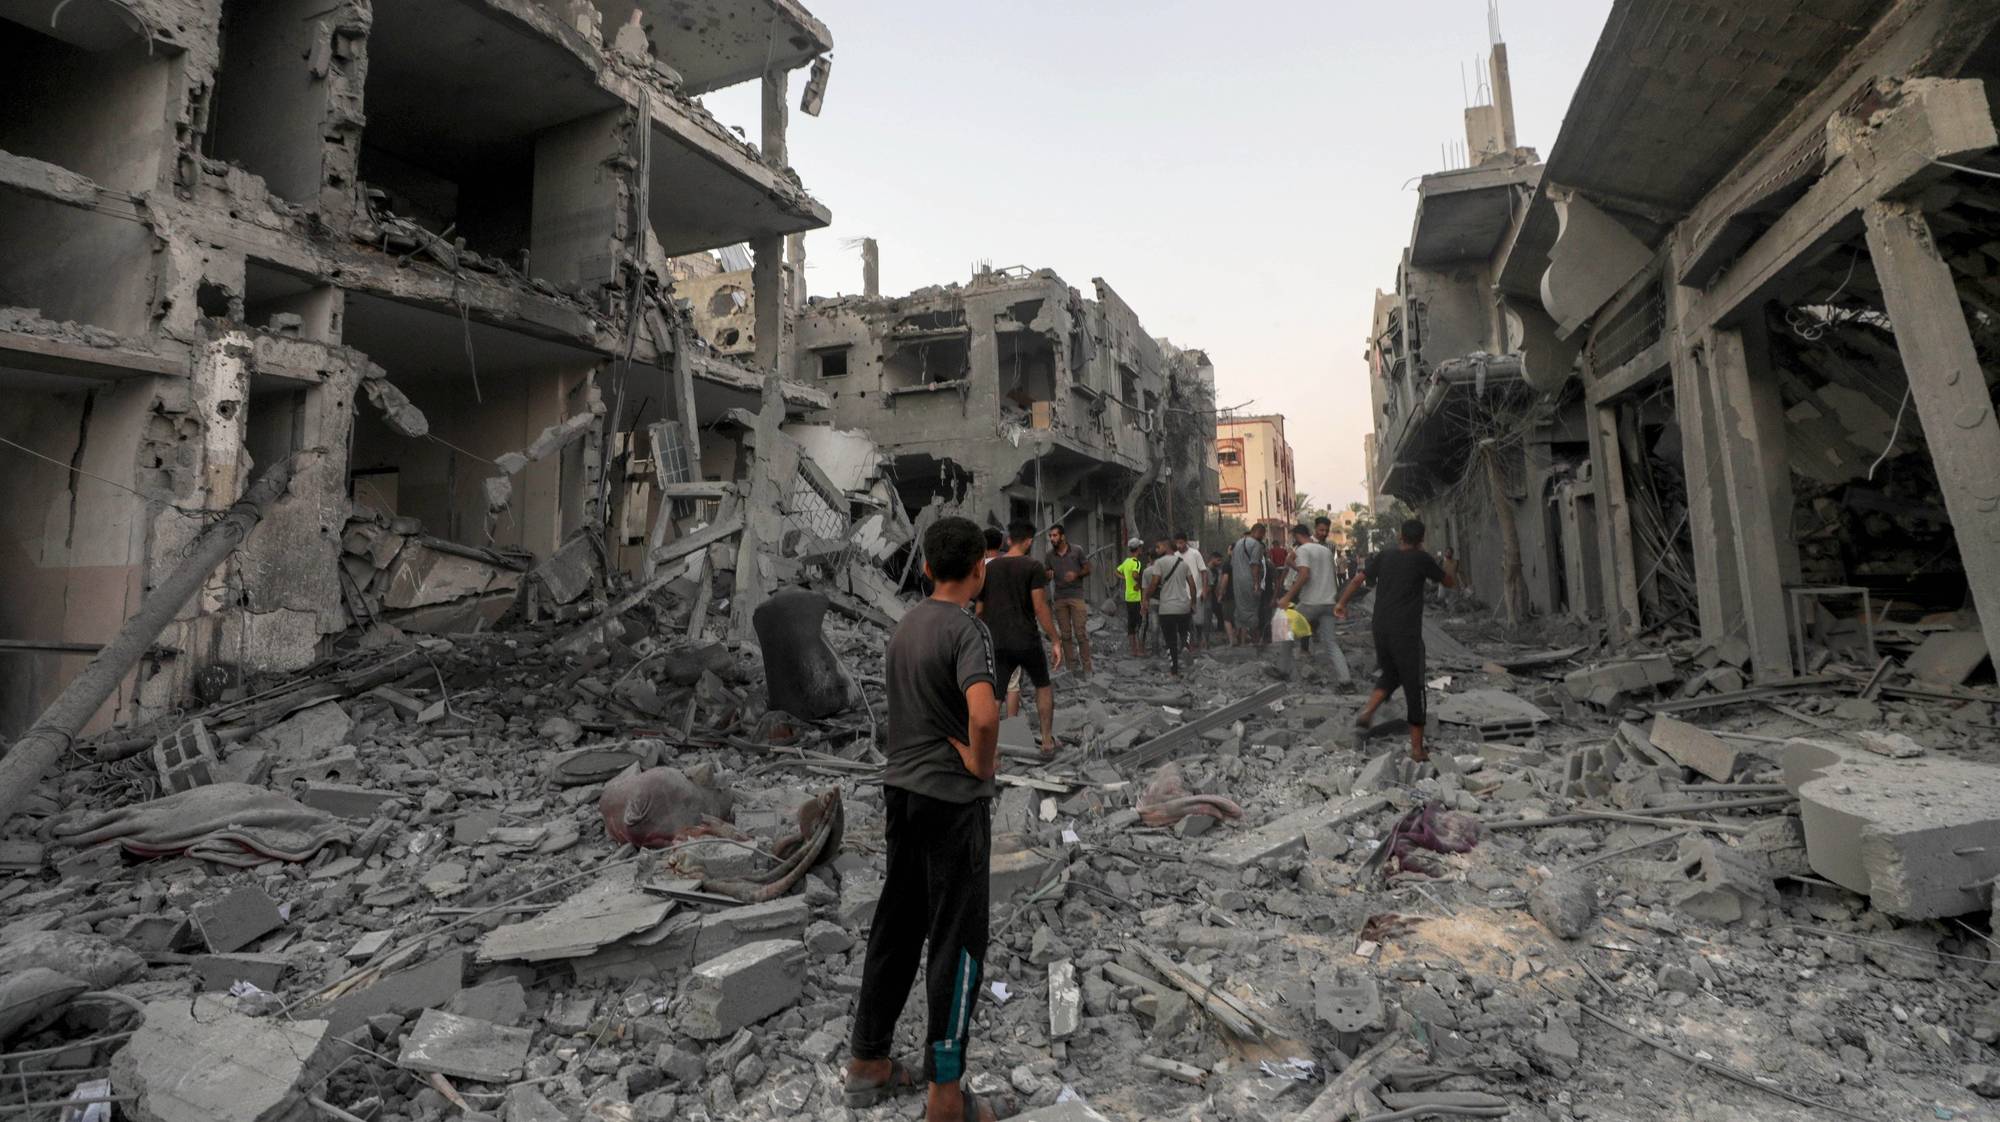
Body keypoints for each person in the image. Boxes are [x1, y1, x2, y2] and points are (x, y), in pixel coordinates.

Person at [846, 516, 1006, 1122]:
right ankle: (945, 1093)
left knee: (898, 923)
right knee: (958, 941)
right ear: (978, 568)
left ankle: (868, 1061)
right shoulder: (969, 629)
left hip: (900, 794)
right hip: (951, 802)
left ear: (929, 568)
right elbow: (985, 717)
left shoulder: (905, 625)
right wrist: (978, 766)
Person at [1334, 518, 1459, 764]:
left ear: (1401, 535)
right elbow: (1448, 582)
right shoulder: (1421, 559)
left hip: (1380, 627)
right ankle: (1416, 749)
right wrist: (1448, 564)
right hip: (1406, 631)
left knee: (1391, 673)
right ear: (1421, 539)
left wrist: (1341, 603)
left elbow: (1358, 579)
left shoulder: (1385, 555)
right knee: (1414, 685)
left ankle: (1368, 711)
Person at [977, 520, 1064, 757]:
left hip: (998, 641)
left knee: (996, 695)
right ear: (1028, 542)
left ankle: (990, 749)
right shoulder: (1033, 566)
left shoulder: (990, 569)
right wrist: (1055, 639)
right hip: (1026, 639)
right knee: (1043, 685)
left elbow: (979, 610)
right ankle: (1047, 741)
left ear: (1008, 540)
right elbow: (1040, 606)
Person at [1276, 523, 1351, 682]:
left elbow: (1304, 576)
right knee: (1331, 643)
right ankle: (1346, 682)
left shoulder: (1303, 550)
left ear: (1297, 536)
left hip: (1311, 602)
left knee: (1285, 631)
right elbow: (1317, 573)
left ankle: (1282, 670)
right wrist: (1293, 566)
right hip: (1330, 602)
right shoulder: (1325, 551)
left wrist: (1287, 597)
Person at [1142, 538, 1200, 676]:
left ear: (1164, 546)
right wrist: (1192, 603)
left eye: (1158, 546)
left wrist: (1146, 598)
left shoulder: (1159, 563)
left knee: (1170, 640)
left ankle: (1174, 671)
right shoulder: (1183, 564)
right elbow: (1192, 585)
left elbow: (1154, 583)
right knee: (1184, 631)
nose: (1157, 550)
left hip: (1166, 607)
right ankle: (1185, 646)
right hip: (1183, 606)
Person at [1043, 524, 1092, 677]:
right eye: (1050, 536)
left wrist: (1076, 574)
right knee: (1065, 635)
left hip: (1076, 596)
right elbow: (1045, 575)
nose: (1052, 538)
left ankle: (1087, 668)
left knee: (1081, 633)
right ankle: (1071, 668)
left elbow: (1088, 569)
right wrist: (1047, 576)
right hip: (1060, 598)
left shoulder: (1077, 550)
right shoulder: (1049, 555)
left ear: (1063, 536)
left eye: (1055, 535)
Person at [1227, 523, 1266, 646]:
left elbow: (1232, 563)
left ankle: (1241, 642)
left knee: (1240, 610)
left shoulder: (1238, 543)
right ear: (1258, 532)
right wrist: (1256, 584)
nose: (1263, 537)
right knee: (1252, 609)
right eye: (1263, 534)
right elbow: (1255, 565)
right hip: (1249, 580)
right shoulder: (1256, 545)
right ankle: (1256, 641)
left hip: (1236, 581)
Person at [1173, 531, 1205, 653]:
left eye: (1180, 543)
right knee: (1185, 622)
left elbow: (1203, 571)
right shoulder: (1175, 556)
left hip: (1196, 592)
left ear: (1185, 542)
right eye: (1177, 543)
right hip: (1182, 595)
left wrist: (1205, 589)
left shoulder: (1195, 554)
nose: (1179, 545)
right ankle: (1187, 644)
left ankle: (1200, 639)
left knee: (1198, 621)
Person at [1117, 538, 1146, 658]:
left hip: (1128, 596)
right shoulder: (1136, 563)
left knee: (1130, 624)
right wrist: (1139, 584)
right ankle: (1139, 650)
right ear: (1138, 549)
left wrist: (1125, 579)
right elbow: (1135, 574)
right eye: (1140, 547)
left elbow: (1117, 572)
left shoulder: (1126, 561)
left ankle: (1133, 650)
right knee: (1140, 623)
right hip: (1137, 597)